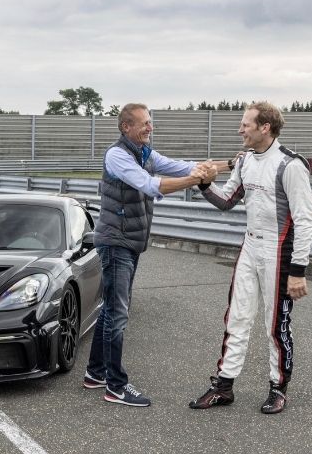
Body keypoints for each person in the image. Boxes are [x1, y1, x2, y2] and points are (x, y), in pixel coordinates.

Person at [83, 103, 233, 407]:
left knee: (111, 309)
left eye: (150, 122)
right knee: (118, 313)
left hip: (128, 242)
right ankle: (115, 386)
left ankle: (95, 373)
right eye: (144, 124)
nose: (150, 128)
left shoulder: (145, 154)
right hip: (116, 243)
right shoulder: (117, 155)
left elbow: (183, 166)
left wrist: (228, 163)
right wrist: (197, 180)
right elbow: (150, 186)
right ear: (126, 127)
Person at [189, 101, 312, 414]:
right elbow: (227, 200)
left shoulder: (291, 164)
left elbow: (304, 220)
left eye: (245, 125)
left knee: (276, 324)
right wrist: (205, 183)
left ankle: (278, 388)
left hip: (279, 252)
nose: (240, 130)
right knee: (237, 317)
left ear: (265, 127)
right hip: (250, 246)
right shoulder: (244, 160)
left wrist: (298, 270)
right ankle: (224, 386)